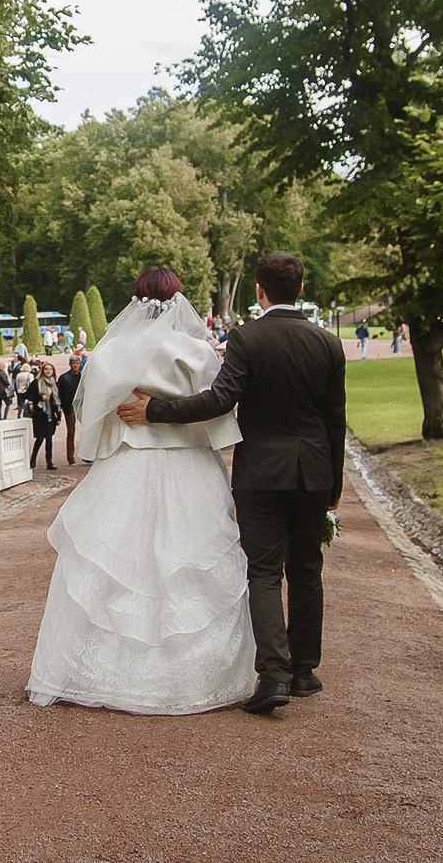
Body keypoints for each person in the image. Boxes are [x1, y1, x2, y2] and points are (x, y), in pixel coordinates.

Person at [114, 251, 347, 715]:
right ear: (300, 289)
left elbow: (220, 401)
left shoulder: (247, 338)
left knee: (262, 572)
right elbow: (334, 421)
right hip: (313, 471)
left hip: (261, 472)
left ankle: (274, 674)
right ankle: (305, 671)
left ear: (259, 291)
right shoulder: (328, 343)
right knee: (306, 569)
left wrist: (154, 411)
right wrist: (334, 484)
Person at [26, 266, 255, 715]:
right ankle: (193, 676)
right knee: (185, 562)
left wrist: (118, 426)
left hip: (129, 462)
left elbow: (91, 416)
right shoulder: (194, 351)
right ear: (177, 301)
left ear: (135, 301)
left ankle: (98, 671)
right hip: (187, 462)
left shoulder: (113, 351)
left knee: (119, 563)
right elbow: (215, 412)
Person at [23, 361, 59, 468]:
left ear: (53, 372)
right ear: (43, 371)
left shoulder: (54, 383)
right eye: (46, 369)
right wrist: (39, 397)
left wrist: (58, 415)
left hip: (50, 414)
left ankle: (49, 462)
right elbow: (27, 395)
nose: (48, 371)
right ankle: (33, 458)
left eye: (50, 369)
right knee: (40, 438)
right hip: (39, 413)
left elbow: (57, 400)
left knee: (49, 437)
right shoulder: (36, 382)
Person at [56, 355, 83, 466]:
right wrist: (61, 409)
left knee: (86, 430)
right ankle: (70, 457)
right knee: (71, 432)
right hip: (69, 407)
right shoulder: (64, 378)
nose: (75, 365)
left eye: (77, 363)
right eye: (73, 363)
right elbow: (60, 394)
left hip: (81, 406)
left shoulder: (83, 377)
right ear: (70, 364)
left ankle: (86, 455)